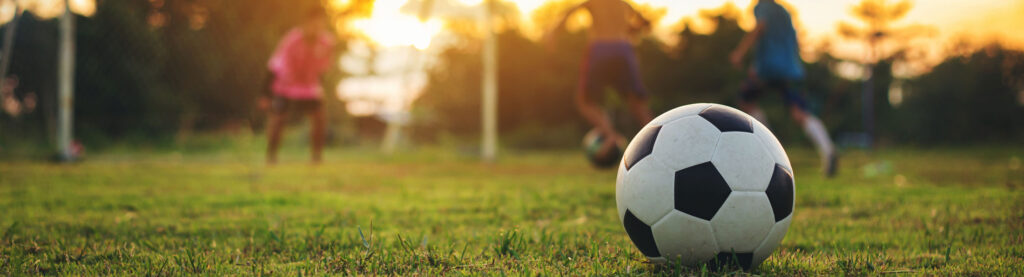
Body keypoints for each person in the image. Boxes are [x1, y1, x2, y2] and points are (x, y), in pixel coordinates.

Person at [729, 0, 838, 177]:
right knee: (800, 113)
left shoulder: (761, 6)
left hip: (768, 69)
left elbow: (760, 28)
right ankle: (827, 148)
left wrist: (740, 53)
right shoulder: (785, 11)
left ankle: (768, 147)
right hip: (791, 69)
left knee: (746, 101)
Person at [543, 0, 654, 159]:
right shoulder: (624, 4)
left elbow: (569, 12)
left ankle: (610, 137)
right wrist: (629, 30)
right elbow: (646, 24)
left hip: (600, 48)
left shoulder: (592, 2)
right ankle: (656, 140)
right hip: (624, 48)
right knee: (637, 102)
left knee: (585, 102)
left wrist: (553, 33)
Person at [264, 7, 336, 165]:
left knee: (320, 118)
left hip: (309, 87)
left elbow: (324, 68)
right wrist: (265, 94)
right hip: (287, 85)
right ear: (306, 23)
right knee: (278, 119)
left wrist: (319, 86)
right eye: (313, 23)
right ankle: (271, 155)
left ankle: (316, 156)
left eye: (320, 24)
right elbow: (275, 65)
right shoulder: (292, 39)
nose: (317, 27)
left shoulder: (327, 42)